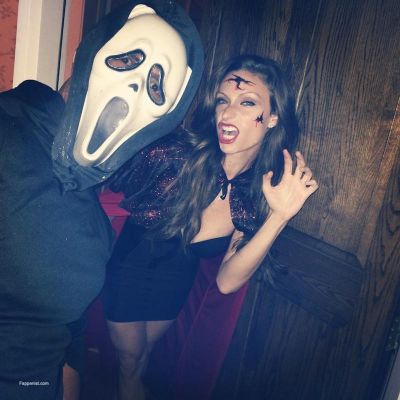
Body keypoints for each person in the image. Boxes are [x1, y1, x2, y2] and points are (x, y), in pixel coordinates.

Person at [0, 1, 203, 399]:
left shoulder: (96, 225)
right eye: (128, 60)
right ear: (93, 52)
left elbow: (69, 332)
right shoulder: (8, 137)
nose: (135, 86)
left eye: (157, 87)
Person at [104, 54, 319, 400]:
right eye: (222, 100)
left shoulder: (256, 191)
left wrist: (280, 216)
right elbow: (107, 172)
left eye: (246, 102)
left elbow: (227, 281)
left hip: (174, 284)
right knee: (129, 362)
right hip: (130, 269)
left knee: (143, 358)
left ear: (272, 118)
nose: (227, 113)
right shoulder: (176, 155)